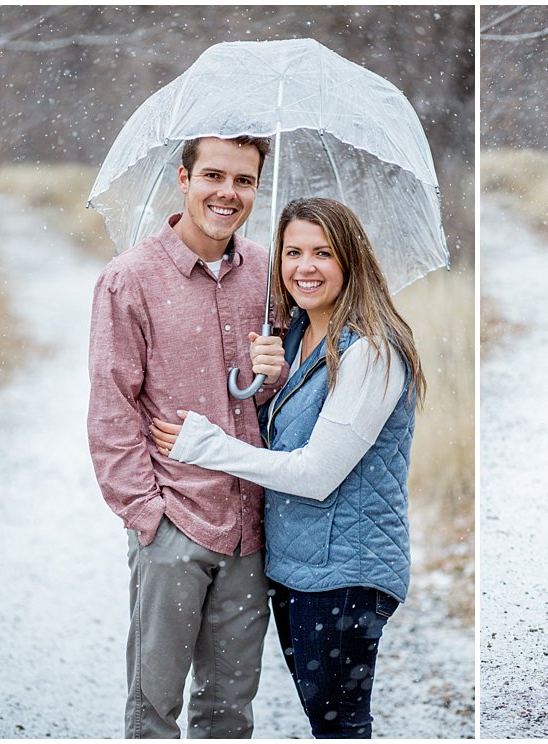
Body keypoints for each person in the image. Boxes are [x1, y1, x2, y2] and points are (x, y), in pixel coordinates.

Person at [149, 197, 425, 738]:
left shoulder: (373, 350)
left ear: (351, 260)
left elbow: (315, 473)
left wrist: (206, 445)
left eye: (323, 253)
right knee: (325, 719)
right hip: (297, 569)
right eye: (293, 252)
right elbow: (282, 434)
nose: (305, 266)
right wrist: (264, 382)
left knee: (340, 724)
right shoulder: (295, 336)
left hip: (346, 572)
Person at [87, 134, 286, 738]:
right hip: (174, 523)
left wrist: (275, 376)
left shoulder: (269, 276)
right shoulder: (130, 279)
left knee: (229, 713)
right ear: (184, 179)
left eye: (244, 181)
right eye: (215, 176)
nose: (228, 193)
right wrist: (148, 517)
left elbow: (264, 408)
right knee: (154, 710)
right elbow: (110, 407)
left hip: (251, 528)